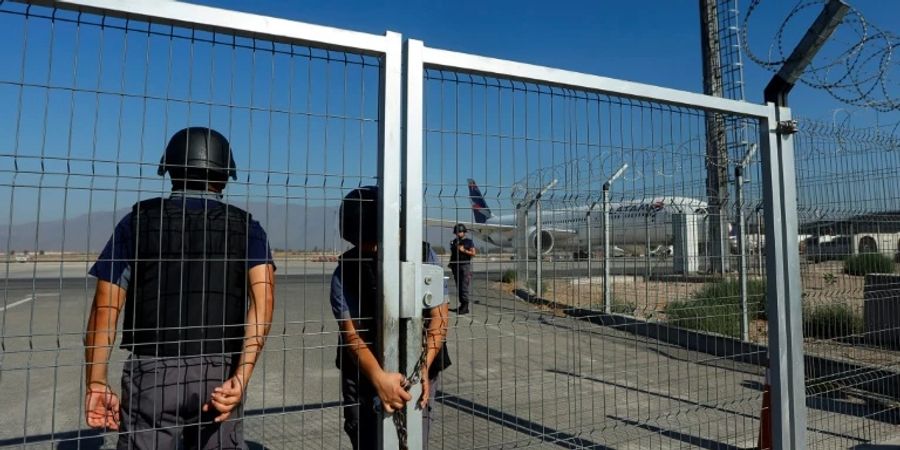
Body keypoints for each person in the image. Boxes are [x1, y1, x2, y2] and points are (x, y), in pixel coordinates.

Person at [83, 127, 276, 449]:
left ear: (169, 169)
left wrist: (97, 381)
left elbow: (105, 306)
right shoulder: (247, 227)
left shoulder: (138, 221)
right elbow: (264, 300)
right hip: (220, 369)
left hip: (153, 372)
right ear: (226, 175)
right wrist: (240, 377)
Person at [330, 186, 450, 450]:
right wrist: (379, 378)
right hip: (362, 375)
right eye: (362, 242)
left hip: (418, 370)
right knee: (364, 437)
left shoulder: (423, 256)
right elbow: (352, 334)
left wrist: (422, 372)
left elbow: (439, 318)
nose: (370, 248)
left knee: (414, 437)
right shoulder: (346, 271)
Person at [449, 223, 476, 314]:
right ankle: (462, 305)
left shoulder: (468, 241)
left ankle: (465, 306)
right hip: (455, 265)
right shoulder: (454, 241)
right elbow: (453, 254)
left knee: (464, 286)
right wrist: (450, 263)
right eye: (456, 232)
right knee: (459, 286)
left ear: (464, 232)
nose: (458, 234)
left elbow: (473, 253)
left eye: (460, 232)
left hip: (464, 265)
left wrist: (464, 250)